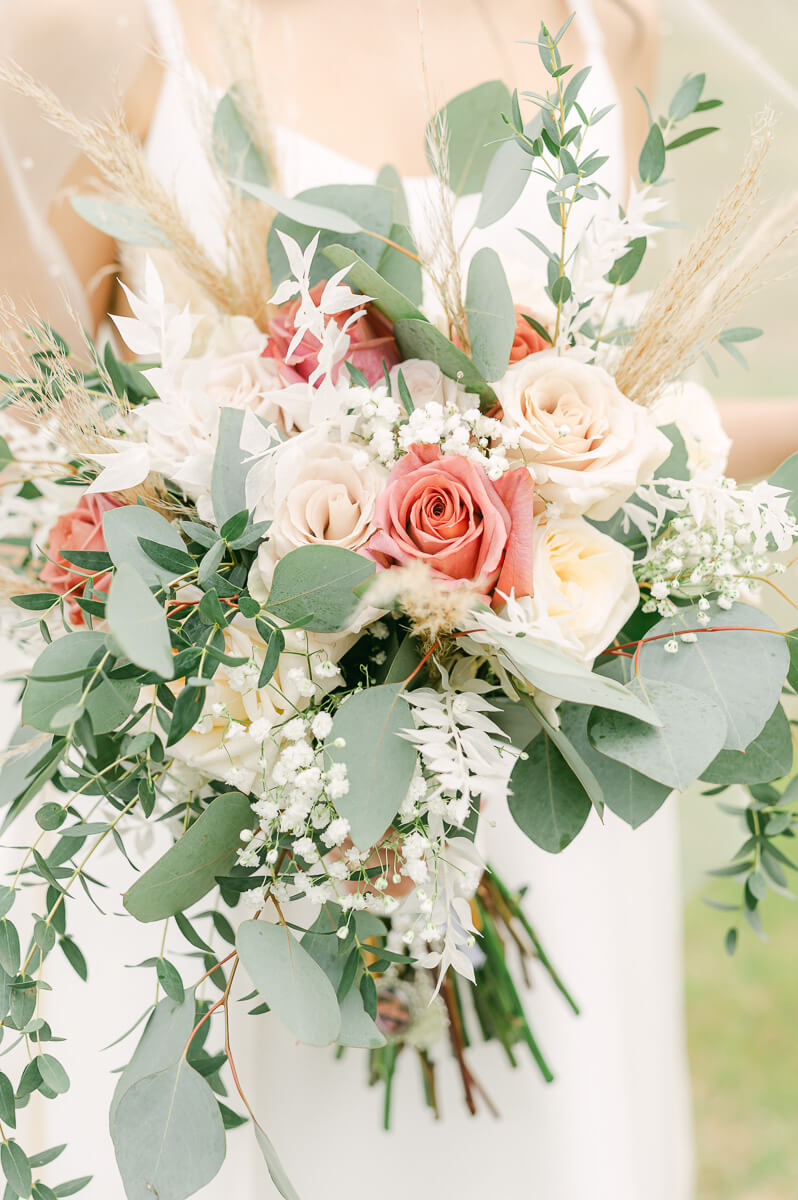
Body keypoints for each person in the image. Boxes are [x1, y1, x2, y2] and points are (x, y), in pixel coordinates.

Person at [0, 2, 788, 1197]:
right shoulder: (106, 29)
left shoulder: (602, 28)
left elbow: (617, 424)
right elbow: (35, 456)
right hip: (232, 819)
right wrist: (271, 674)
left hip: (527, 787)